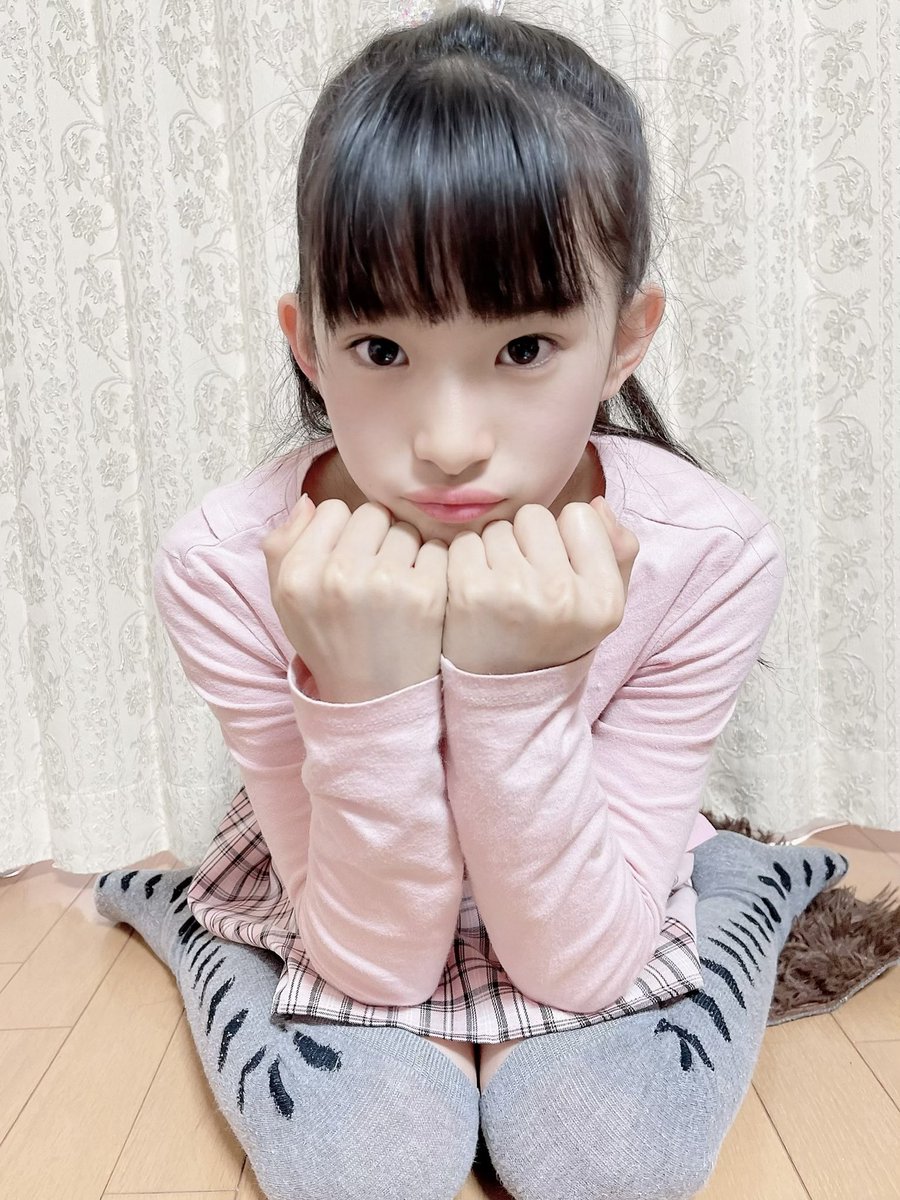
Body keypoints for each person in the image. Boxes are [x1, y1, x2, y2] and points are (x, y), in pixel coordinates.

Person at [94, 6, 849, 1199]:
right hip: (346, 877)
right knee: (365, 1167)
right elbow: (378, 968)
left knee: (607, 1161)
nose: (448, 443)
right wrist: (365, 691)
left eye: (526, 347)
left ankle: (743, 883)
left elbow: (581, 966)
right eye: (382, 350)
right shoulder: (227, 563)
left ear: (625, 339)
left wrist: (518, 689)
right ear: (308, 343)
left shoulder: (707, 554)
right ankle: (195, 925)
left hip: (589, 867)